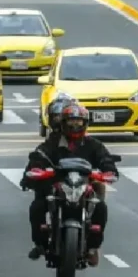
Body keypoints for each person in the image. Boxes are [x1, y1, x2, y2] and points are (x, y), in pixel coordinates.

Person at [21, 103, 119, 267]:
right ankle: (40, 243)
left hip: (83, 187)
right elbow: (38, 156)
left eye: (79, 122)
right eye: (71, 122)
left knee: (101, 207)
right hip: (57, 186)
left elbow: (105, 159)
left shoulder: (92, 144)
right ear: (63, 123)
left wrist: (109, 171)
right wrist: (33, 172)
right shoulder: (52, 143)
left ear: (85, 124)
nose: (75, 126)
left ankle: (93, 247)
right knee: (37, 207)